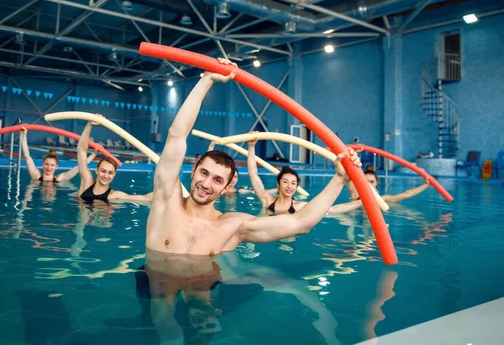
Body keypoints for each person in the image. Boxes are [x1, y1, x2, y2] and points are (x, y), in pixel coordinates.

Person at [147, 57, 361, 256]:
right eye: (204, 173)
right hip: (154, 286)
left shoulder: (233, 227)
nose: (206, 183)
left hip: (204, 287)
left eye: (218, 180)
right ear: (193, 171)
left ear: (226, 188)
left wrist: (340, 179)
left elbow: (300, 224)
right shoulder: (166, 200)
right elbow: (176, 136)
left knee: (203, 294)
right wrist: (207, 80)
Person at [77, 121, 152, 203]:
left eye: (110, 173)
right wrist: (89, 125)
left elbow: (146, 198)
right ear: (96, 170)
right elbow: (81, 151)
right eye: (103, 171)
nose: (106, 176)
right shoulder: (86, 184)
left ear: (114, 174)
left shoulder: (114, 196)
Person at [247, 137, 309, 215]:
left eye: (293, 183)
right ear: (278, 184)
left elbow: (325, 208)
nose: (289, 186)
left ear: (296, 187)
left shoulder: (300, 206)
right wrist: (251, 146)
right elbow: (253, 174)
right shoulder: (267, 201)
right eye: (285, 182)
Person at [328, 168, 431, 214]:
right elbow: (350, 174)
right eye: (365, 182)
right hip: (353, 217)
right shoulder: (355, 195)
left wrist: (426, 185)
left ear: (377, 182)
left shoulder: (382, 200)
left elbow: (406, 194)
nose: (368, 185)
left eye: (371, 182)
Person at [21, 129, 96, 182]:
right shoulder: (36, 176)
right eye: (46, 164)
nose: (49, 167)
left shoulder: (59, 179)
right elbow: (27, 157)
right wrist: (23, 135)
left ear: (56, 167)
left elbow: (79, 167)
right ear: (42, 164)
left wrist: (94, 154)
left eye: (52, 165)